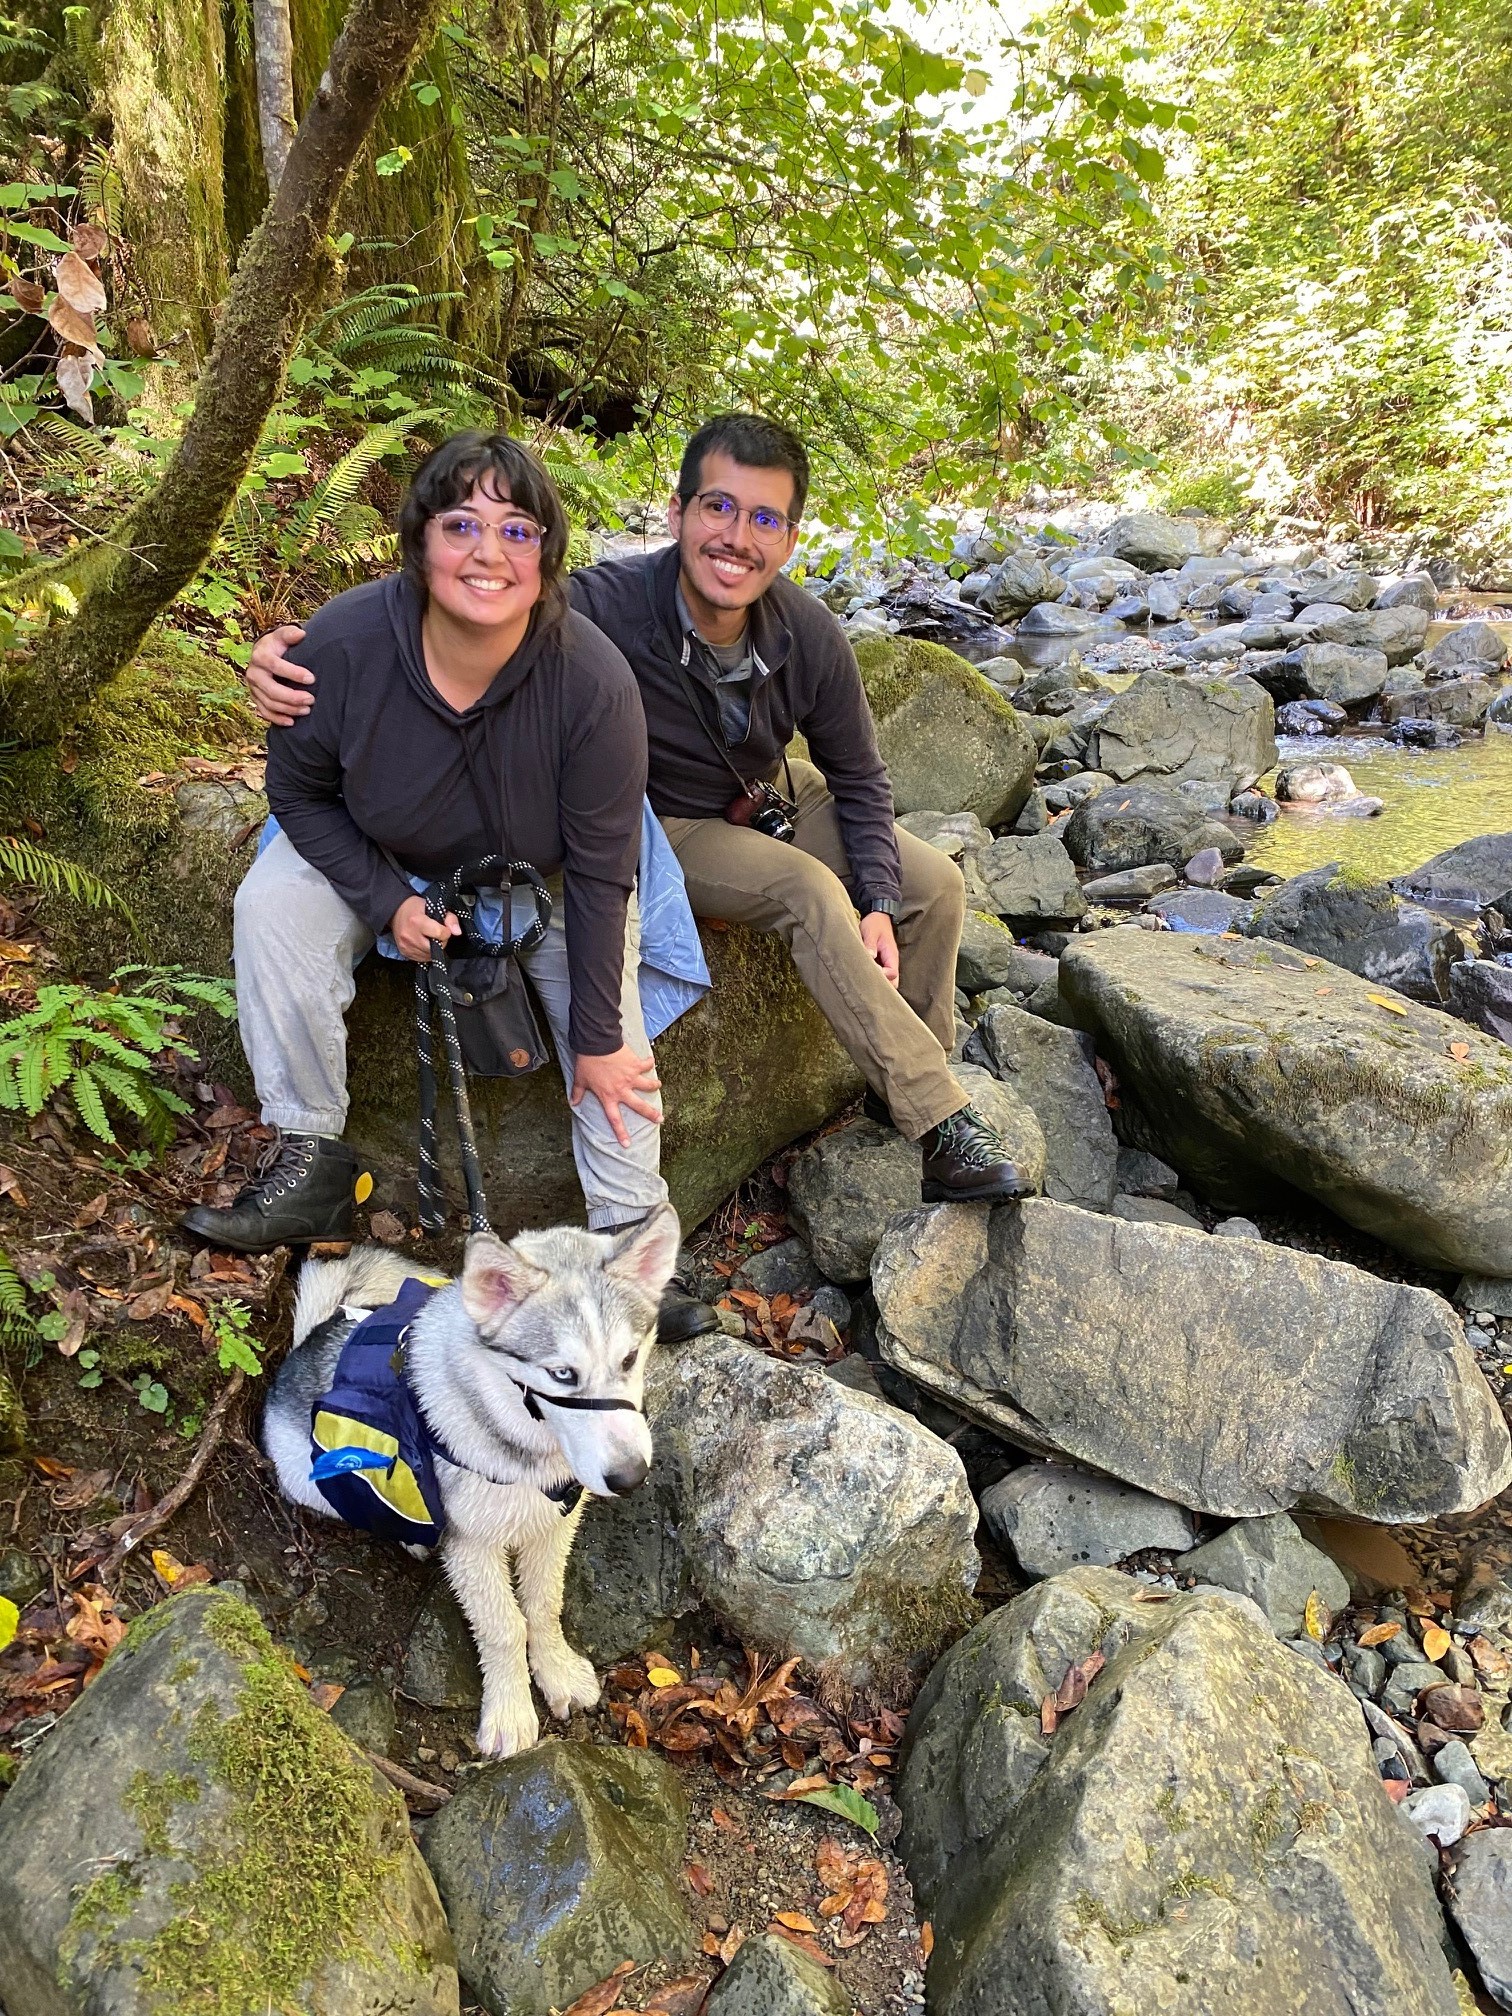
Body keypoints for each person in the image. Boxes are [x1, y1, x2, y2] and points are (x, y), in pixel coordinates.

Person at [246, 413, 1029, 1201]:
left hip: (774, 791)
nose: (737, 538)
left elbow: (859, 776)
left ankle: (908, 1078)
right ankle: (939, 1121)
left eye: (765, 520)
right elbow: (476, 599)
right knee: (810, 892)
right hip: (667, 819)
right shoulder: (599, 606)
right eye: (718, 508)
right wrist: (287, 653)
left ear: (789, 540)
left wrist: (883, 900)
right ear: (678, 514)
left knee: (939, 885)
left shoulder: (808, 633)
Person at [188, 431, 716, 1341]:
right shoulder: (344, 647)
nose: (487, 552)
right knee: (273, 902)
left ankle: (629, 1249)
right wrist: (385, 899)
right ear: (419, 539)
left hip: (542, 877)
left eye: (518, 530)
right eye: (462, 523)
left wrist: (595, 1035)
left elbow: (599, 873)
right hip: (373, 846)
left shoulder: (589, 683)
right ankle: (311, 1155)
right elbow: (300, 793)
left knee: (615, 1050)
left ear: (547, 556)